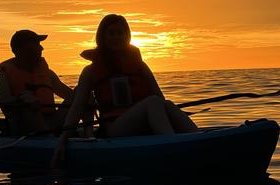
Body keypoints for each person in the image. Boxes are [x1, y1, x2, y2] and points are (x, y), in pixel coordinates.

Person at [51, 14, 198, 167]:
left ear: (127, 36)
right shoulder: (90, 71)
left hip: (142, 120)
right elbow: (78, 106)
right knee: (153, 103)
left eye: (120, 33)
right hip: (114, 127)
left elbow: (160, 98)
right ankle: (175, 149)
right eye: (112, 33)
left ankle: (198, 137)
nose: (116, 37)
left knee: (166, 104)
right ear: (103, 37)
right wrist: (63, 139)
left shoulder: (140, 65)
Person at [0, 29, 93, 136]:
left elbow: (70, 96)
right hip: (24, 127)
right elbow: (5, 105)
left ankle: (89, 135)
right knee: (26, 99)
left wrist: (86, 95)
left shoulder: (47, 74)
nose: (41, 48)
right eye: (37, 44)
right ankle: (48, 139)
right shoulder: (4, 75)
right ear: (25, 49)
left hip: (53, 123)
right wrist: (20, 100)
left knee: (82, 92)